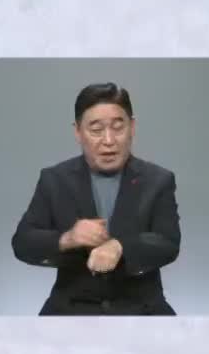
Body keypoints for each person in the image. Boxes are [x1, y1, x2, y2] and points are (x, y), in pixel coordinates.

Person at [10, 82, 182, 315]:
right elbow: (23, 242)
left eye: (118, 127)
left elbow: (168, 242)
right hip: (71, 307)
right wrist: (67, 238)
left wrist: (121, 246)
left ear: (132, 127)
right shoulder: (54, 179)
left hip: (141, 308)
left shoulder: (158, 180)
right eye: (96, 129)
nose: (109, 140)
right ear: (78, 132)